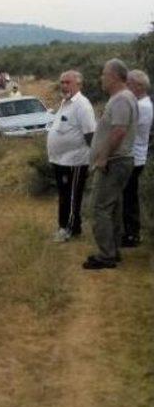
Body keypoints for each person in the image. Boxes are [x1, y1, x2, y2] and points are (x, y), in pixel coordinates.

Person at [84, 59, 138, 270]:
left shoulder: (122, 99)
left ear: (114, 76)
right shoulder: (121, 98)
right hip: (117, 161)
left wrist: (103, 157)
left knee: (99, 208)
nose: (101, 78)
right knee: (112, 207)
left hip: (115, 162)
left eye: (104, 74)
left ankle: (106, 255)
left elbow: (119, 131)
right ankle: (112, 251)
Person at [46, 70, 96, 242]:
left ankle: (68, 229)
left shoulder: (82, 105)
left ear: (79, 85)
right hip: (60, 160)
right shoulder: (65, 103)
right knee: (64, 195)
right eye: (62, 82)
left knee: (72, 196)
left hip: (75, 161)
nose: (64, 86)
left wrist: (95, 159)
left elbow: (90, 134)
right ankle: (70, 227)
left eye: (68, 82)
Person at [122, 69, 153, 247]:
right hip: (136, 156)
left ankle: (132, 234)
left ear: (140, 86)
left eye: (130, 84)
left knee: (129, 197)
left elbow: (124, 129)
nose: (127, 87)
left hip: (133, 157)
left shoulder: (141, 106)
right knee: (129, 196)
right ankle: (131, 232)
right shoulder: (143, 104)